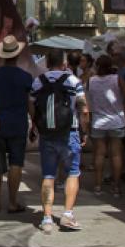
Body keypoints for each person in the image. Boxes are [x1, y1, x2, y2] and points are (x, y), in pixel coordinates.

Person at [31, 47, 89, 233]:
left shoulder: (38, 81)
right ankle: (67, 215)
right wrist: (84, 130)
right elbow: (83, 108)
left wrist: (35, 124)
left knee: (48, 175)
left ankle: (47, 218)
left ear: (47, 64)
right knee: (73, 172)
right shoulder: (73, 81)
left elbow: (31, 104)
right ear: (64, 63)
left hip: (47, 134)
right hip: (69, 133)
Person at [0, 35, 33, 214]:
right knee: (16, 163)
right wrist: (34, 122)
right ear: (17, 55)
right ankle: (12, 202)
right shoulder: (26, 77)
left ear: (3, 55)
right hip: (18, 124)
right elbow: (30, 103)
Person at [86, 54, 125, 198]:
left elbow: (87, 101)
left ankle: (98, 186)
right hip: (117, 120)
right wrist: (123, 109)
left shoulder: (91, 81)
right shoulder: (116, 79)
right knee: (116, 154)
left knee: (99, 154)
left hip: (98, 121)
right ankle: (116, 187)